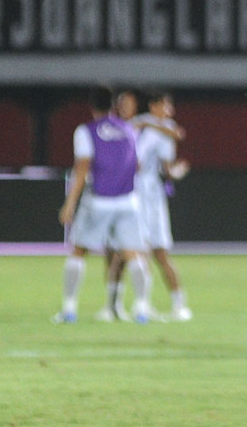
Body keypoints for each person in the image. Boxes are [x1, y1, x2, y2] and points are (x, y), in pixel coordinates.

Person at [54, 85, 152, 324]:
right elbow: (137, 166)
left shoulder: (86, 131)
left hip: (99, 200)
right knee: (133, 254)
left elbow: (82, 168)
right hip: (128, 201)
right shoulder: (129, 130)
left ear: (91, 105)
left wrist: (69, 204)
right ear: (113, 105)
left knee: (79, 251)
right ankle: (141, 309)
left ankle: (69, 309)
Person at [134, 90, 193, 321]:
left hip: (153, 196)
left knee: (159, 252)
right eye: (166, 106)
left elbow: (167, 169)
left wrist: (177, 172)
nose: (170, 112)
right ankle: (144, 304)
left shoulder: (160, 131)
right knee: (143, 251)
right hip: (138, 195)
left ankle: (178, 304)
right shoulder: (143, 126)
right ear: (153, 106)